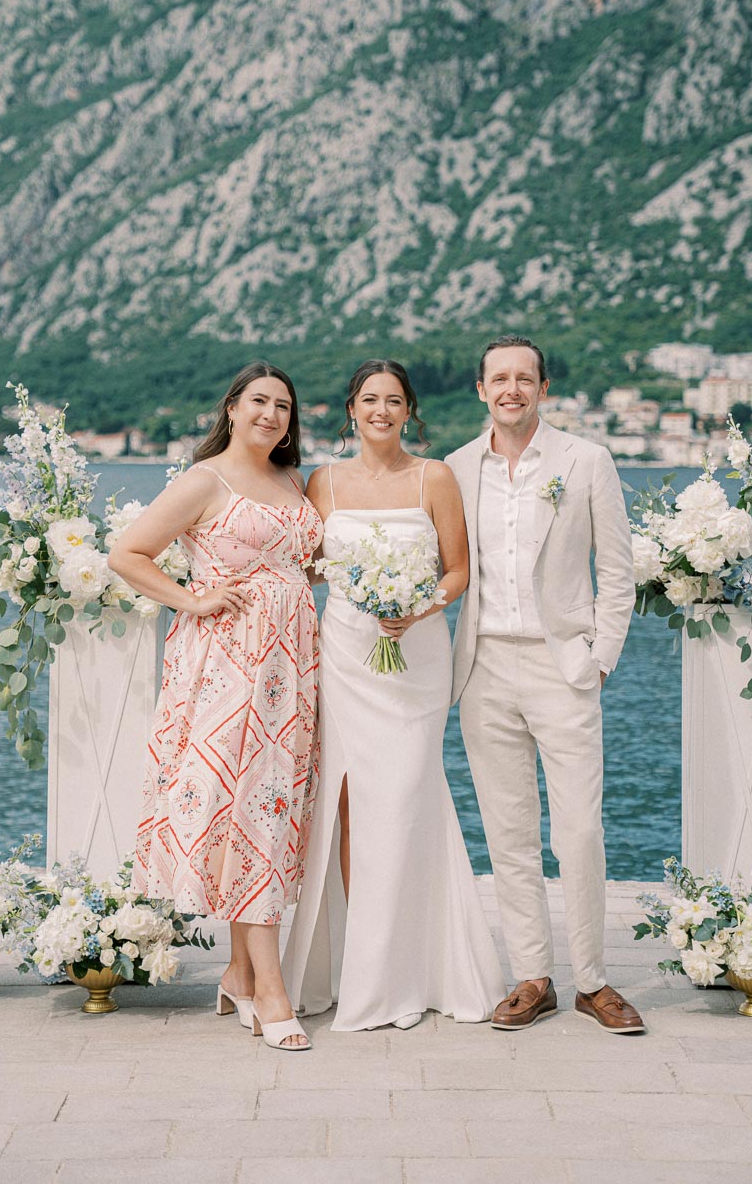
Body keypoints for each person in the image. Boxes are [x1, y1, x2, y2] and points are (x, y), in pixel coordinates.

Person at [282, 359, 506, 1031]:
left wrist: (418, 602)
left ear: (411, 411)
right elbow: (309, 568)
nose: (382, 410)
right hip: (347, 653)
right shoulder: (323, 481)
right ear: (351, 408)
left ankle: (414, 970)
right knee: (352, 806)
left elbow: (459, 568)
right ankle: (362, 969)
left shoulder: (433, 477)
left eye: (395, 400)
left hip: (416, 657)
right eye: (369, 399)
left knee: (408, 798)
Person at [108, 361, 322, 1051]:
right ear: (231, 408)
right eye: (258, 401)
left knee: (266, 814)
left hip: (293, 670)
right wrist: (194, 600)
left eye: (283, 406)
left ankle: (236, 971)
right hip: (230, 671)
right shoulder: (205, 480)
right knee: (252, 811)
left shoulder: (293, 482)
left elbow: (300, 563)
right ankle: (270, 987)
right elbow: (128, 553)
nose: (271, 414)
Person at [445, 335, 644, 1035]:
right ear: (481, 389)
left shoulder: (587, 461)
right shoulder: (456, 467)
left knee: (581, 830)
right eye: (499, 378)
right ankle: (534, 977)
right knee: (508, 833)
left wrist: (600, 655)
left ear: (543, 389)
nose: (511, 389)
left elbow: (618, 571)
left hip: (564, 667)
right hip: (484, 667)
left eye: (524, 378)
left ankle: (593, 980)